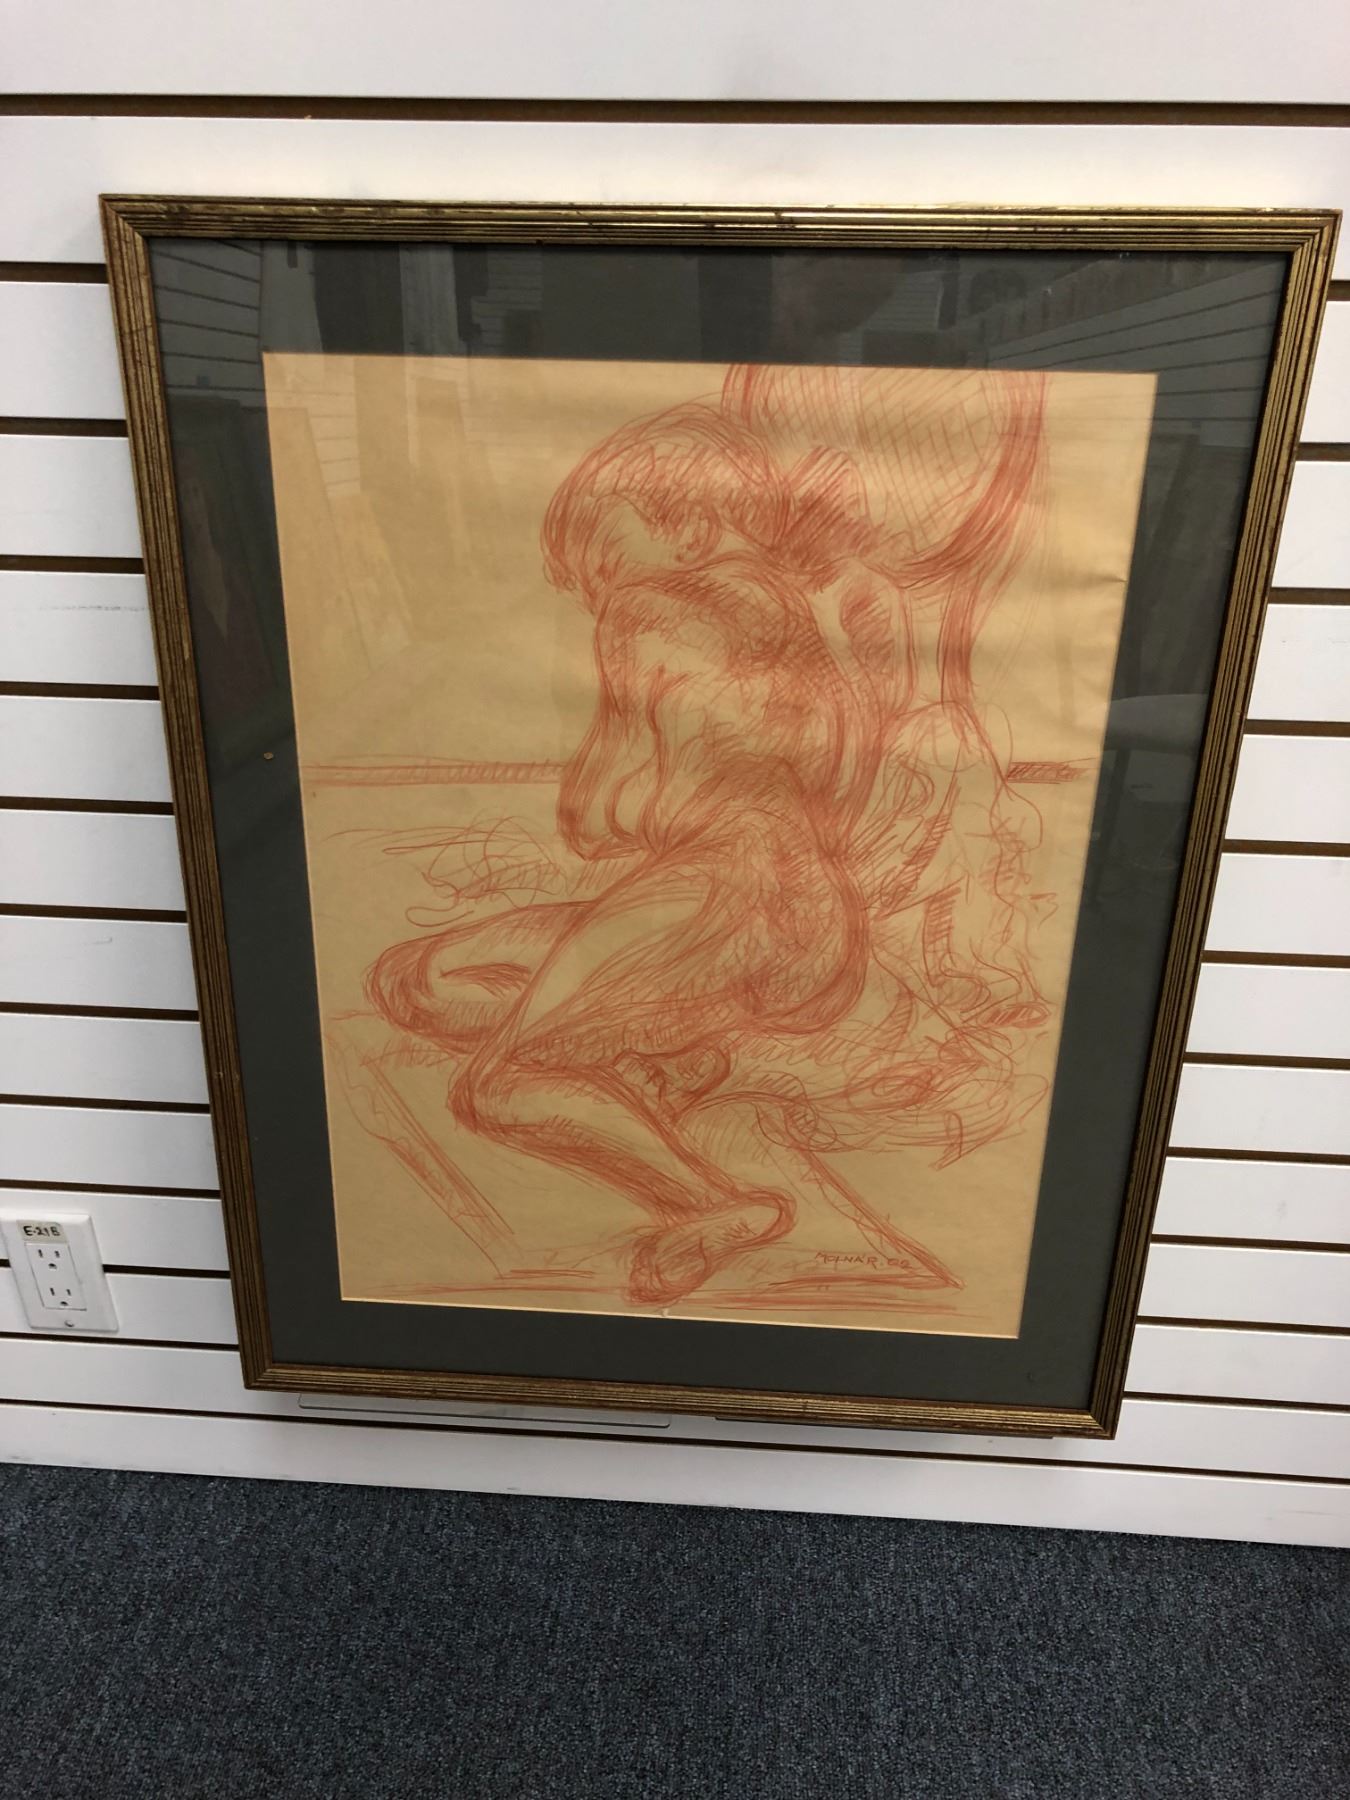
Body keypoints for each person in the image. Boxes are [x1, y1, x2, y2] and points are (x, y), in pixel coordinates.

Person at [368, 364, 1050, 1306]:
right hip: (808, 927)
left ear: (684, 526)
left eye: (602, 554)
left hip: (721, 904)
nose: (591, 583)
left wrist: (627, 812)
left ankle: (712, 1204)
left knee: (500, 1086)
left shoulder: (648, 611)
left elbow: (601, 810)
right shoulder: (800, 624)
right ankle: (665, 1054)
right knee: (419, 977)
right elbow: (832, 777)